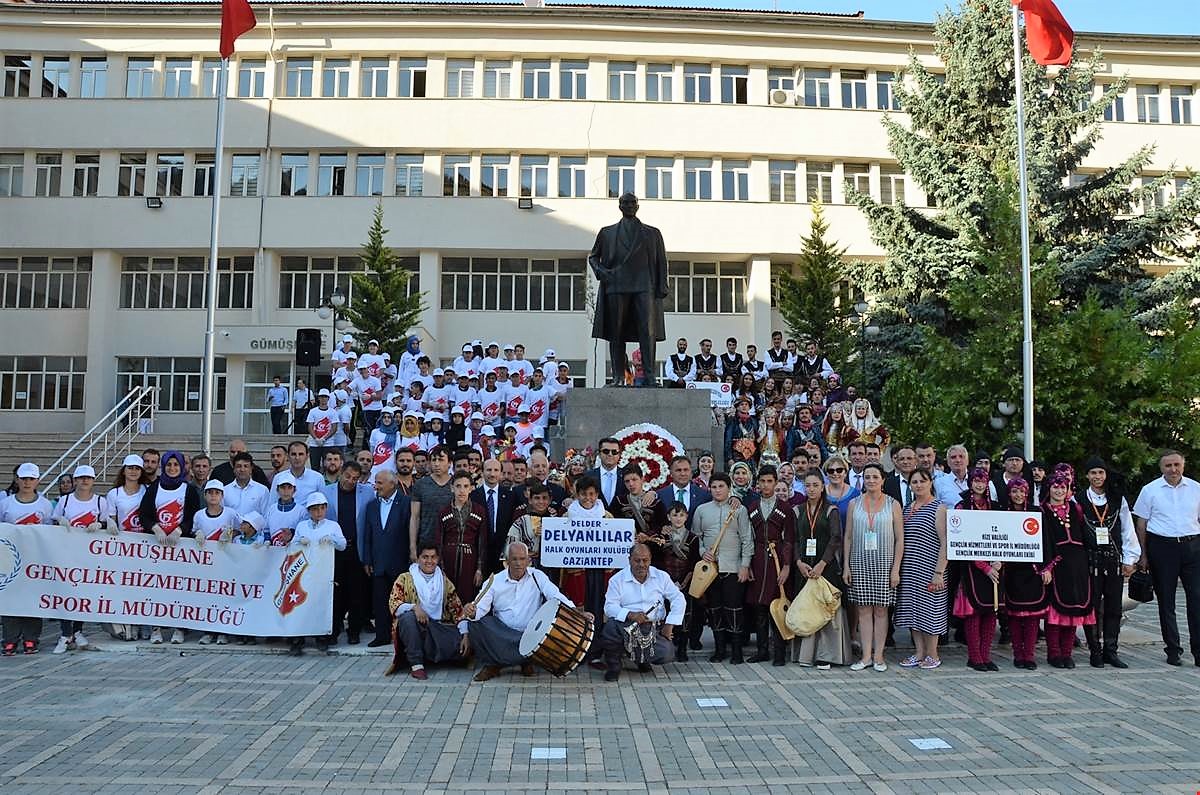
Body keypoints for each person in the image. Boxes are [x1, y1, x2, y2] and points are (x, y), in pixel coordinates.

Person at [463, 541, 584, 681]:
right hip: (501, 634)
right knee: (476, 624)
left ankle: (526, 661)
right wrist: (471, 611)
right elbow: (479, 609)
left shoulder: (538, 576)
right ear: (507, 561)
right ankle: (492, 665)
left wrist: (577, 612)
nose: (518, 563)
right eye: (514, 559)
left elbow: (556, 596)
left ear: (529, 561)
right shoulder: (494, 581)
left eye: (522, 559)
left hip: (530, 634)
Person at [588, 193, 668, 388]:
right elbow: (593, 257)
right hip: (616, 285)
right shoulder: (607, 233)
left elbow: (661, 261)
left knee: (647, 331)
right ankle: (618, 376)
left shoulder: (652, 233)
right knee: (616, 332)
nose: (629, 206)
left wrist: (662, 284)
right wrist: (601, 272)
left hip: (644, 286)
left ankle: (649, 376)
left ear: (638, 206)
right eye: (625, 203)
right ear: (619, 206)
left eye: (633, 203)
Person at [1132, 450, 1200, 667]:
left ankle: (1198, 650)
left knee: (1196, 601)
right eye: (1168, 466)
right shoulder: (1150, 490)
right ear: (1161, 468)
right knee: (1166, 601)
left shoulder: (1196, 488)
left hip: (1192, 546)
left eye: (1177, 465)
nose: (1173, 469)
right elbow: (1141, 524)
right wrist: (1143, 554)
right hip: (1162, 547)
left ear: (1183, 464)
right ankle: (1173, 649)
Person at [1078, 456, 1140, 668]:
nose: (1097, 477)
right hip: (1089, 561)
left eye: (1101, 472)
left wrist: (1130, 559)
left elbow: (1127, 530)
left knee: (1114, 607)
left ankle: (1111, 651)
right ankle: (1094, 650)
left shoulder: (1117, 499)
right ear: (1087, 475)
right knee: (1092, 606)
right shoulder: (1078, 500)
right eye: (1093, 473)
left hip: (1113, 560)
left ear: (1106, 475)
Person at [843, 463, 904, 672]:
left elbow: (900, 539)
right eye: (867, 477)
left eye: (875, 477)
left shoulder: (893, 504)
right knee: (863, 610)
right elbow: (848, 536)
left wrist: (895, 569)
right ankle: (866, 656)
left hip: (885, 563)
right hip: (859, 562)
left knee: (881, 609)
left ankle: (879, 656)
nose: (870, 480)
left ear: (882, 479)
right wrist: (846, 566)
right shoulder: (854, 503)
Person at [598, 543, 686, 681]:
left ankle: (641, 659)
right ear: (629, 560)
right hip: (626, 626)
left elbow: (678, 598)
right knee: (610, 627)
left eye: (645, 560)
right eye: (637, 560)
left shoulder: (661, 577)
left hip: (652, 627)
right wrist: (631, 615)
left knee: (667, 653)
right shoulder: (617, 580)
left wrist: (670, 624)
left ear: (650, 559)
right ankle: (614, 666)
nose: (641, 564)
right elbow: (609, 607)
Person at [385, 543, 470, 680]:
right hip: (416, 627)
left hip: (437, 628)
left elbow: (458, 611)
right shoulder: (405, 578)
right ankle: (416, 663)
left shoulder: (444, 581)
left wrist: (465, 635)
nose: (429, 561)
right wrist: (414, 607)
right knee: (407, 618)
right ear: (418, 558)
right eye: (425, 557)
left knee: (465, 640)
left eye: (433, 557)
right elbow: (394, 604)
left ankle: (434, 656)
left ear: (438, 559)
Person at [792, 471, 851, 668]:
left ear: (822, 486)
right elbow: (792, 539)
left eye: (815, 485)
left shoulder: (830, 510)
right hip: (804, 567)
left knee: (826, 608)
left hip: (825, 566)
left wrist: (822, 564)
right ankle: (806, 655)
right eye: (807, 485)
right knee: (807, 608)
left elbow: (836, 539)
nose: (811, 489)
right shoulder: (798, 510)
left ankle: (827, 655)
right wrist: (798, 562)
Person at [694, 473, 752, 664]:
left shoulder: (739, 510)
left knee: (734, 609)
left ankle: (736, 650)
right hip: (710, 569)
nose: (717, 490)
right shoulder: (702, 510)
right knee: (715, 608)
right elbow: (698, 538)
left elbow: (747, 539)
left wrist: (745, 565)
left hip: (733, 567)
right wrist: (703, 552)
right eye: (714, 487)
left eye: (721, 486)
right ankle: (719, 650)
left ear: (729, 488)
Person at [893, 468, 948, 670]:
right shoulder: (907, 508)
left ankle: (933, 654)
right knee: (912, 611)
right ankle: (919, 652)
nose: (918, 485)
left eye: (922, 481)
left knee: (930, 611)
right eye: (914, 482)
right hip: (910, 567)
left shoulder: (939, 508)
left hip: (931, 568)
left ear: (930, 482)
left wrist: (939, 571)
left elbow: (945, 542)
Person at [1041, 471, 1094, 669]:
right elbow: (1044, 540)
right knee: (1056, 608)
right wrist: (1047, 565)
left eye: (1063, 487)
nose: (1059, 490)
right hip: (1057, 560)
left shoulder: (1075, 508)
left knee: (1074, 606)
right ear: (1049, 488)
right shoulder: (1043, 510)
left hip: (1077, 561)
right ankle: (1054, 653)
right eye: (1055, 486)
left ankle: (1067, 652)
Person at [952, 468, 1002, 671]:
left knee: (991, 611)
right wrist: (984, 566)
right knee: (973, 612)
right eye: (976, 481)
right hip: (972, 568)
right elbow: (961, 540)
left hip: (995, 566)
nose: (979, 485)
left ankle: (985, 654)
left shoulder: (997, 507)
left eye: (983, 481)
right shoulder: (962, 507)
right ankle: (974, 656)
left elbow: (1005, 537)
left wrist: (999, 561)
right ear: (970, 483)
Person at [2, 463, 53, 656]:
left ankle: (31, 637)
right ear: (17, 480)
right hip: (10, 558)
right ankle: (9, 639)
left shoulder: (45, 505)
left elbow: (49, 532)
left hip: (35, 558)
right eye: (24, 479)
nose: (27, 482)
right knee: (10, 597)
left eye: (31, 479)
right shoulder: (5, 504)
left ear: (37, 481)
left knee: (33, 598)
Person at [744, 466, 793, 666]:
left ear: (775, 482)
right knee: (760, 608)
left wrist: (787, 565)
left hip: (777, 559)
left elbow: (790, 539)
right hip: (758, 558)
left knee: (777, 606)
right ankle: (762, 650)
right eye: (762, 481)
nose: (766, 485)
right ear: (758, 484)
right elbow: (748, 537)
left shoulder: (785, 508)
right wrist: (748, 565)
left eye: (770, 481)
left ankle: (780, 651)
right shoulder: (752, 507)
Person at [288, 492, 348, 655]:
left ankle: (321, 637)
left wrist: (332, 540)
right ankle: (297, 640)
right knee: (301, 604)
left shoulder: (332, 526)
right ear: (309, 510)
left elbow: (343, 545)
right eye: (315, 509)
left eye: (322, 508)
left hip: (323, 572)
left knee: (321, 604)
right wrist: (299, 541)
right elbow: (292, 546)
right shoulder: (302, 526)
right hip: (304, 572)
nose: (319, 512)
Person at [361, 470, 413, 648]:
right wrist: (367, 560)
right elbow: (368, 535)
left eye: (380, 483)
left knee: (402, 603)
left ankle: (403, 636)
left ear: (392, 484)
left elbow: (410, 533)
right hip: (378, 563)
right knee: (380, 601)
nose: (376, 486)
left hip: (400, 562)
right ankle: (382, 635)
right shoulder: (372, 506)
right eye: (376, 482)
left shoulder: (406, 503)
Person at [324, 461, 373, 645]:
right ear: (341, 473)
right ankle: (334, 630)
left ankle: (354, 630)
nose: (351, 481)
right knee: (336, 592)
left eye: (355, 478)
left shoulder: (367, 492)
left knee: (357, 592)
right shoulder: (326, 492)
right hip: (334, 550)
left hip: (356, 548)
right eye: (348, 476)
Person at [1001, 478, 1047, 670]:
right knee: (1014, 616)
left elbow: (1046, 541)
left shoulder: (1036, 513)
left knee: (1031, 617)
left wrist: (1046, 568)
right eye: (1014, 491)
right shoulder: (1003, 514)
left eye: (1021, 491)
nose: (1018, 495)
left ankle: (1029, 655)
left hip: (1032, 571)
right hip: (1012, 572)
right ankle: (1017, 654)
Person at [436, 472, 486, 602]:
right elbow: (439, 541)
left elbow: (482, 541)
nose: (461, 490)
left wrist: (479, 569)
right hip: (448, 559)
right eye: (458, 486)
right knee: (447, 596)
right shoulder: (444, 511)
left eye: (465, 486)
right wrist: (440, 569)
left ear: (471, 488)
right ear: (452, 488)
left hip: (470, 560)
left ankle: (465, 621)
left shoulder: (479, 511)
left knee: (467, 596)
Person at [472, 458, 518, 575]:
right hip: (479, 553)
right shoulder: (473, 496)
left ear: (501, 473)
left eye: (496, 470)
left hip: (503, 552)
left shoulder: (511, 497)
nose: (492, 474)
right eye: (488, 470)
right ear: (482, 472)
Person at [409, 445, 454, 558]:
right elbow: (415, 517)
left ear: (450, 463)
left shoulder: (457, 484)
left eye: (441, 459)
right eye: (434, 460)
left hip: (452, 542)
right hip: (426, 542)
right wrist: (413, 546)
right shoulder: (421, 485)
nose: (437, 463)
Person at [656, 455, 711, 527]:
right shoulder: (660, 495)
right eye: (678, 470)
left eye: (686, 470)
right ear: (671, 473)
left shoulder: (704, 495)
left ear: (691, 472)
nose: (683, 474)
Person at [272, 441, 326, 505]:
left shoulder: (318, 478)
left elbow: (323, 504)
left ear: (307, 456)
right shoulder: (278, 477)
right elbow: (272, 503)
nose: (297, 458)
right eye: (293, 454)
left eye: (301, 454)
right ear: (288, 456)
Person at [223, 452, 269, 519]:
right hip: (231, 529)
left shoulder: (262, 490)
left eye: (246, 466)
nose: (242, 470)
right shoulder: (225, 491)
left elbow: (266, 516)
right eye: (239, 466)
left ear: (251, 469)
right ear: (234, 469)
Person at [587, 437, 628, 513]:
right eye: (606, 451)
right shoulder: (588, 476)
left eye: (614, 452)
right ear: (599, 454)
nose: (610, 454)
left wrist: (653, 494)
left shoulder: (627, 476)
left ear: (619, 455)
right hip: (595, 521)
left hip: (621, 522)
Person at [306, 389, 342, 469]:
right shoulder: (313, 411)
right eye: (322, 397)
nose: (323, 399)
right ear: (318, 398)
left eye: (325, 397)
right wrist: (316, 438)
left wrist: (324, 438)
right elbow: (310, 426)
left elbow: (334, 427)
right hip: (314, 443)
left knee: (328, 466)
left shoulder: (333, 412)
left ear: (328, 398)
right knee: (314, 466)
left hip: (328, 443)